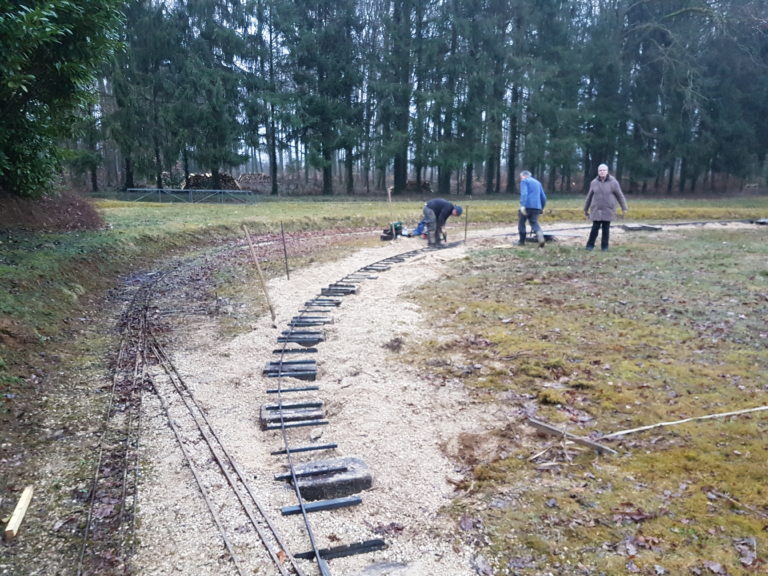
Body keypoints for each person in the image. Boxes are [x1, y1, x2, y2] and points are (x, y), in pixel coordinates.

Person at [583, 163, 628, 251]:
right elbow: (589, 196)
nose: (602, 172)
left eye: (604, 170)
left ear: (607, 172)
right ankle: (590, 246)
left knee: (606, 229)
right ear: (598, 172)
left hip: (608, 210)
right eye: (600, 170)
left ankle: (604, 247)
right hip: (596, 210)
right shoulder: (594, 183)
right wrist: (585, 209)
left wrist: (624, 207)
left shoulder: (614, 182)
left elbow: (620, 195)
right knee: (594, 228)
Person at [518, 170, 547, 247]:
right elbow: (543, 197)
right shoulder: (538, 183)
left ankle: (521, 241)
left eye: (520, 177)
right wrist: (542, 208)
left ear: (523, 176)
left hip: (527, 206)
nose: (520, 178)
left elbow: (524, 193)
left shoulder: (524, 181)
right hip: (537, 207)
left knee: (521, 222)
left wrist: (522, 205)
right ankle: (540, 237)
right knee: (534, 223)